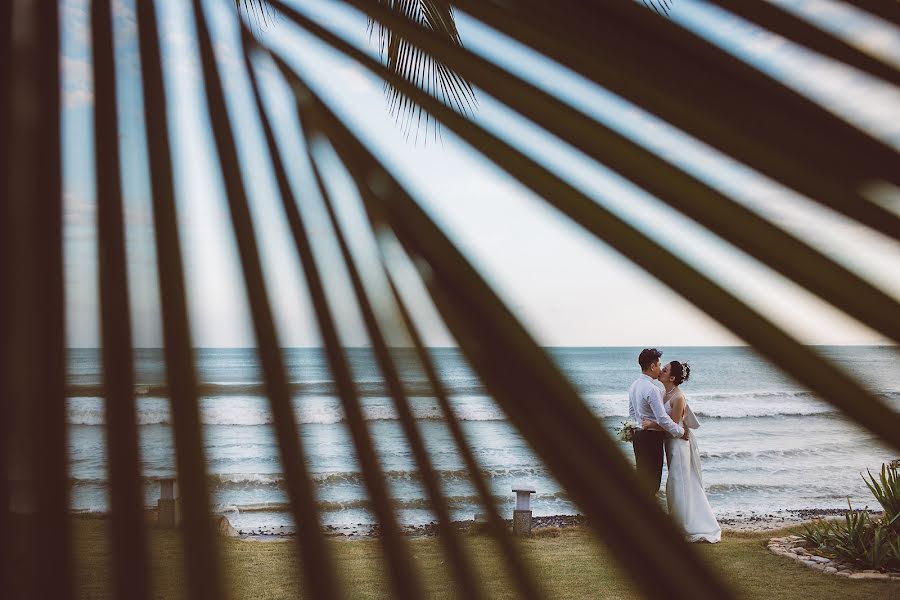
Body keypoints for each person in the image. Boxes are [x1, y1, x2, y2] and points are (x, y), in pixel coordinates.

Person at [643, 361, 721, 543]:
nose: (660, 371)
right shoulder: (663, 393)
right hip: (670, 444)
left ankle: (687, 525)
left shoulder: (678, 397)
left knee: (679, 482)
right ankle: (678, 522)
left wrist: (650, 424)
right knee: (675, 482)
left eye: (664, 370)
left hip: (678, 445)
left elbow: (671, 425)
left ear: (671, 378)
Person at [628, 348, 687, 496]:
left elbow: (632, 412)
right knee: (652, 483)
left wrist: (636, 427)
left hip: (639, 436)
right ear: (653, 366)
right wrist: (680, 432)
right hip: (651, 438)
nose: (660, 369)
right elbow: (662, 418)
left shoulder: (634, 385)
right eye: (659, 365)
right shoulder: (652, 389)